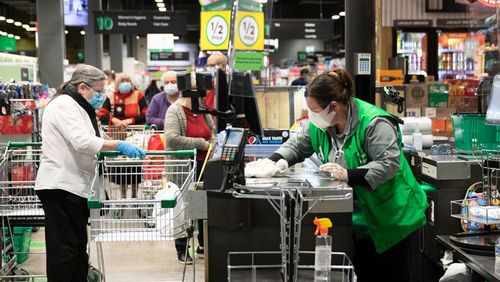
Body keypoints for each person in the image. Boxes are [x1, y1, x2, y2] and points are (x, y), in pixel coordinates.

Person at [251, 69, 428, 282]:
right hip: (359, 218)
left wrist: (348, 174)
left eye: (314, 110)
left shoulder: (374, 123)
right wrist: (274, 161)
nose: (311, 115)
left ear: (333, 106)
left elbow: (388, 164)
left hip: (392, 217)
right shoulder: (321, 125)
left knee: (389, 275)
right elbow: (297, 145)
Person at [35, 65, 145, 282]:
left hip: (73, 188)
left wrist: (111, 150)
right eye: (100, 90)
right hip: (60, 187)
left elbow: (93, 137)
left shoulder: (81, 106)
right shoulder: (64, 106)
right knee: (64, 253)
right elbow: (81, 141)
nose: (102, 96)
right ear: (83, 88)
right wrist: (117, 145)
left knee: (77, 251)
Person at [164, 93, 216, 264]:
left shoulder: (202, 110)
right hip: (183, 168)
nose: (202, 99)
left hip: (203, 164)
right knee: (183, 209)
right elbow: (172, 139)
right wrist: (201, 143)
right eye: (200, 95)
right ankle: (182, 248)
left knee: (199, 206)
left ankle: (202, 243)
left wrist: (213, 143)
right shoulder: (175, 111)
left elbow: (212, 131)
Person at [98, 73, 148, 199]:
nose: (125, 83)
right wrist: (113, 120)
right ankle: (123, 195)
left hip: (135, 136)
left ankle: (135, 195)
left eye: (127, 80)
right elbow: (101, 115)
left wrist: (130, 120)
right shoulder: (111, 97)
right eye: (122, 81)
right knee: (121, 168)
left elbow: (145, 113)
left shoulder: (138, 95)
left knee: (135, 165)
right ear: (117, 84)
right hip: (116, 138)